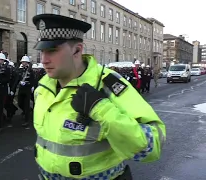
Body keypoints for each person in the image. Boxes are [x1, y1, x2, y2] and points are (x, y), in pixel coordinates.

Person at [32, 14, 166, 180]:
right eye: (41, 51)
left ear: (77, 50)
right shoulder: (43, 87)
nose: (43, 60)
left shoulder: (108, 85)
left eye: (52, 50)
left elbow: (152, 146)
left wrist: (103, 110)